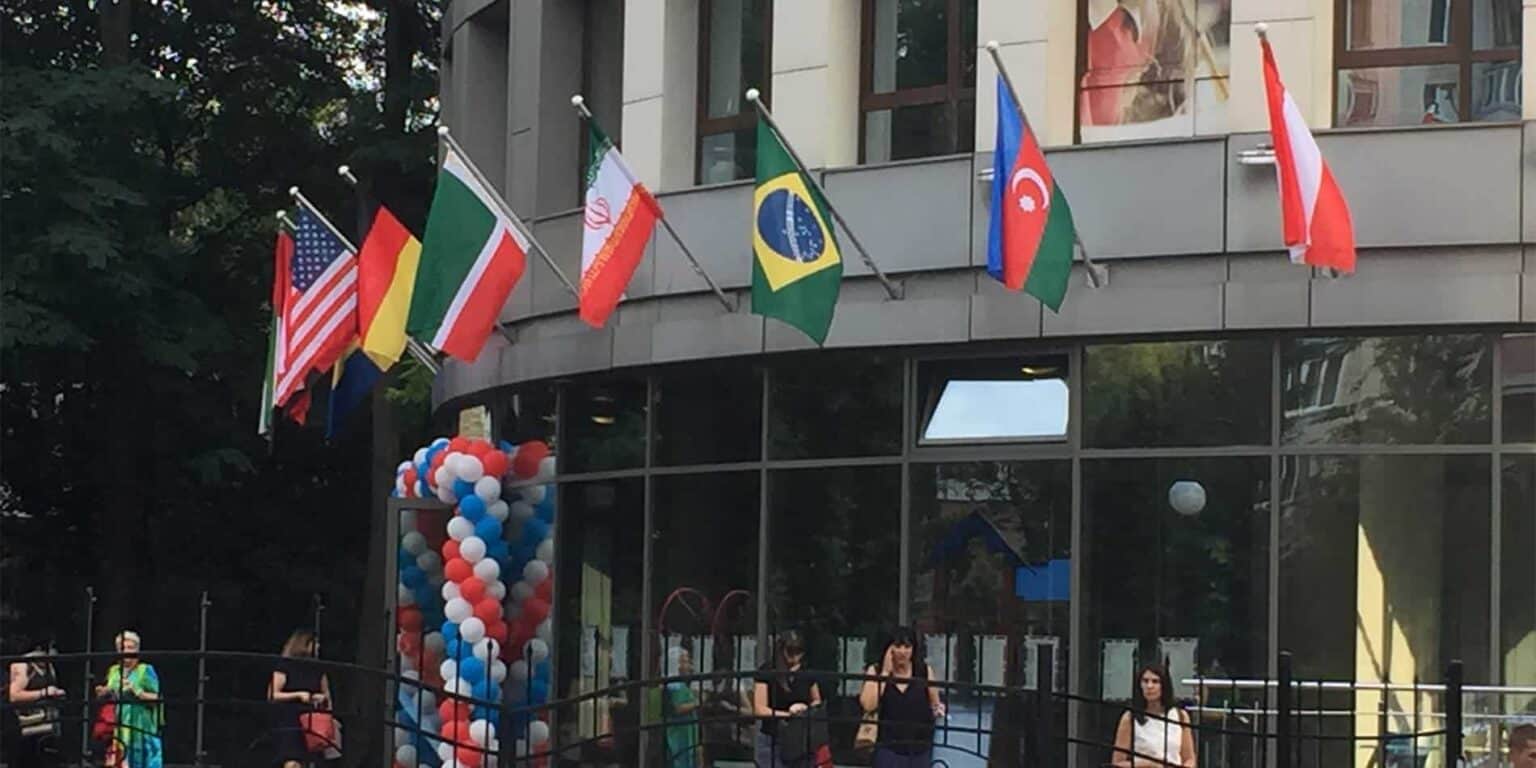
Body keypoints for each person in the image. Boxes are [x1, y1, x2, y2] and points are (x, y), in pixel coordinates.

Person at [857, 627, 945, 768]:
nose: (903, 652)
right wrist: (885, 673)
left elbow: (935, 704)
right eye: (898, 646)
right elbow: (867, 704)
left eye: (907, 646)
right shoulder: (876, 670)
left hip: (919, 750)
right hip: (888, 749)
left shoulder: (923, 671)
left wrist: (939, 710)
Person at [752, 630, 821, 767]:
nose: (795, 657)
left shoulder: (806, 672)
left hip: (799, 739)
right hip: (772, 737)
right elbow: (759, 709)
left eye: (799, 652)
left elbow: (817, 700)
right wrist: (788, 714)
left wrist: (806, 709)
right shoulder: (767, 671)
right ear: (781, 650)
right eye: (791, 652)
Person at [95, 630, 163, 768]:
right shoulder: (114, 671)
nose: (127, 651)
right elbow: (109, 693)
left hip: (141, 728)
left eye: (130, 648)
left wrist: (136, 691)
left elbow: (156, 698)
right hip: (121, 727)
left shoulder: (145, 670)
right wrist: (103, 692)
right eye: (123, 648)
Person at [268, 629, 333, 767]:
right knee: (292, 759)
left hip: (313, 721)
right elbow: (273, 694)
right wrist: (298, 694)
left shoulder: (318, 668)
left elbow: (327, 695)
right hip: (290, 719)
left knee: (311, 759)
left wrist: (321, 699)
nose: (318, 647)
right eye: (315, 643)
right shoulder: (286, 665)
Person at [1112, 664, 1195, 767]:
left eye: (1155, 681)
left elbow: (1189, 759)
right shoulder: (1130, 718)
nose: (1149, 686)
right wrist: (1149, 764)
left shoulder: (1180, 715)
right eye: (1145, 681)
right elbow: (1117, 763)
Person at [4, 635, 67, 768]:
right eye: (50, 648)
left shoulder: (49, 666)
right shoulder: (23, 665)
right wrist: (43, 693)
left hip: (49, 725)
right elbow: (14, 695)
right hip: (27, 726)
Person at [663, 647, 701, 768]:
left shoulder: (680, 685)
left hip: (686, 733)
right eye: (685, 662)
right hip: (679, 735)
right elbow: (678, 708)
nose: (689, 667)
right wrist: (697, 703)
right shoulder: (675, 686)